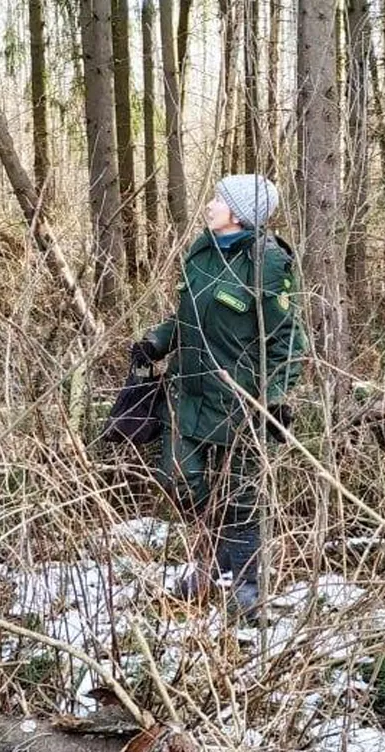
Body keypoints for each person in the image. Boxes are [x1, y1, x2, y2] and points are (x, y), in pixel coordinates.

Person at [130, 174, 307, 622]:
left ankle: (246, 586)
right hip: (187, 393)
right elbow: (190, 314)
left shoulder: (267, 265)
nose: (209, 205)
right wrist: (158, 340)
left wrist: (276, 396)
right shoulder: (202, 250)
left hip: (240, 403)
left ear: (240, 214)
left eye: (217, 200)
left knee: (241, 496)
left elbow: (288, 340)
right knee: (178, 477)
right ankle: (214, 561)